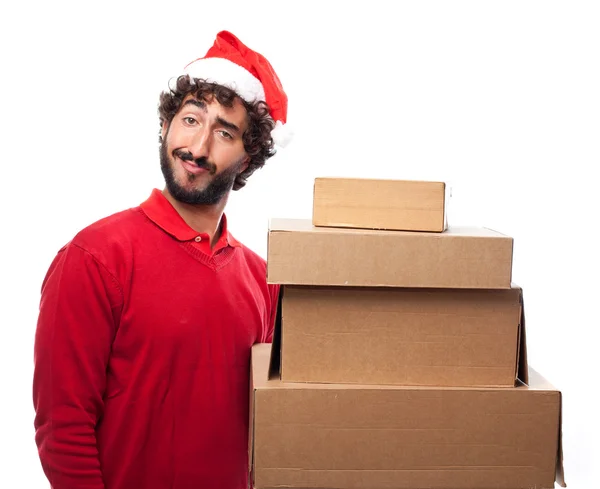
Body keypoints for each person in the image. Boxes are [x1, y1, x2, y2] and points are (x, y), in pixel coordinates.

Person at [32, 30, 291, 489]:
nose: (198, 147)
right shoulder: (93, 257)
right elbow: (63, 427)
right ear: (168, 125)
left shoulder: (262, 279)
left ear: (248, 158)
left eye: (224, 132)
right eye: (191, 120)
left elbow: (269, 426)